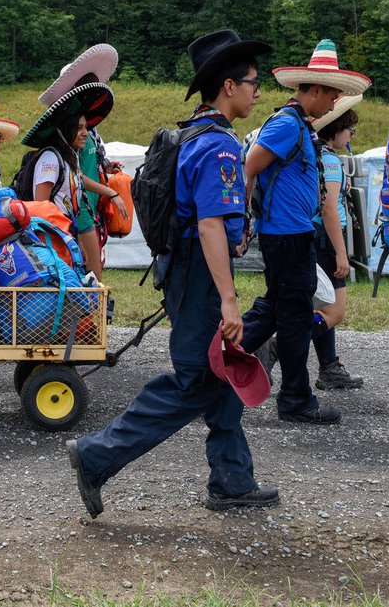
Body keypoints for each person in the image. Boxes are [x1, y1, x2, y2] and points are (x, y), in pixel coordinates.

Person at [67, 29, 280, 518]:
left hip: (185, 272)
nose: (257, 91)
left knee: (219, 373)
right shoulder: (221, 146)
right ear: (228, 86)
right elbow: (209, 225)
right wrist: (228, 299)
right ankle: (96, 456)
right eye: (251, 82)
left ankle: (232, 478)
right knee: (195, 382)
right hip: (202, 276)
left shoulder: (193, 134)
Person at [239, 40, 371, 425]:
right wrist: (245, 222)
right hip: (285, 236)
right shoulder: (285, 124)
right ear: (314, 89)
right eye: (331, 95)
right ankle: (295, 399)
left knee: (278, 312)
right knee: (292, 315)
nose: (333, 104)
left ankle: (210, 370)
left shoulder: (298, 125)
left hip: (293, 235)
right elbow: (249, 167)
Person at [19, 83, 127, 280]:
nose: (85, 132)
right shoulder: (50, 159)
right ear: (65, 130)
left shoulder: (69, 158)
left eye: (86, 127)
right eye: (79, 128)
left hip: (66, 236)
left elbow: (79, 181)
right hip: (53, 241)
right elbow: (39, 208)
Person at [38, 45, 122, 271]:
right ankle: (94, 305)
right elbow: (75, 177)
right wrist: (110, 192)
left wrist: (107, 168)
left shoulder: (89, 130)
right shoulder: (64, 141)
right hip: (79, 209)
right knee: (90, 269)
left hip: (90, 208)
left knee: (91, 266)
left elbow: (86, 164)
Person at [308, 95, 366, 389]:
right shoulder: (330, 162)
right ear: (337, 129)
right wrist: (342, 253)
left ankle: (329, 367)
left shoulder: (315, 155)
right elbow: (329, 207)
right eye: (349, 130)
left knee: (323, 304)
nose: (351, 135)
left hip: (316, 236)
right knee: (335, 310)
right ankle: (278, 347)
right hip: (328, 239)